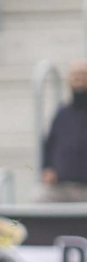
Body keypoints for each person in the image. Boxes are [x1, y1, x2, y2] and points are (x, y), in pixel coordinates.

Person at [39, 61, 87, 203]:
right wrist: (47, 168)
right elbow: (49, 144)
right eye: (74, 75)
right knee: (38, 198)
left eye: (83, 74)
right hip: (62, 187)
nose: (78, 78)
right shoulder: (62, 114)